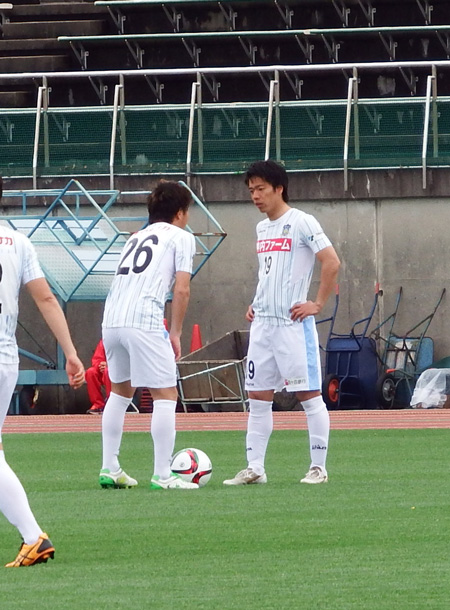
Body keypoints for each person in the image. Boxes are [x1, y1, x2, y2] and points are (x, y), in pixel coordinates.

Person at [223, 160, 340, 486]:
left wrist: (317, 303)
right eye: (251, 190)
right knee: (258, 398)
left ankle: (318, 467)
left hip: (292, 325)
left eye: (260, 189)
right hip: (263, 325)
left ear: (279, 188)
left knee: (308, 396)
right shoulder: (262, 229)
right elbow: (270, 273)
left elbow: (331, 261)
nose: (255, 196)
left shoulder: (302, 222)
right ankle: (255, 468)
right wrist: (256, 302)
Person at [0, 176, 85, 567]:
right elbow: (46, 298)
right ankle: (33, 536)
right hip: (5, 359)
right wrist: (71, 353)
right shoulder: (18, 242)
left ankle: (33, 536)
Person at [99, 180, 199, 490]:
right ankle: (163, 474)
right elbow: (182, 289)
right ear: (180, 213)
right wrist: (176, 332)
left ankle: (110, 468)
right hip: (144, 319)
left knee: (119, 393)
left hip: (112, 320)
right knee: (166, 395)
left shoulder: (135, 237)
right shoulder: (182, 237)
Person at [85, 339, 111, 414]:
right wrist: (100, 365)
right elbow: (97, 359)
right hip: (105, 373)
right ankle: (98, 404)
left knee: (107, 371)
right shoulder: (105, 341)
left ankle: (111, 403)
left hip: (123, 373)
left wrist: (110, 366)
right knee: (90, 372)